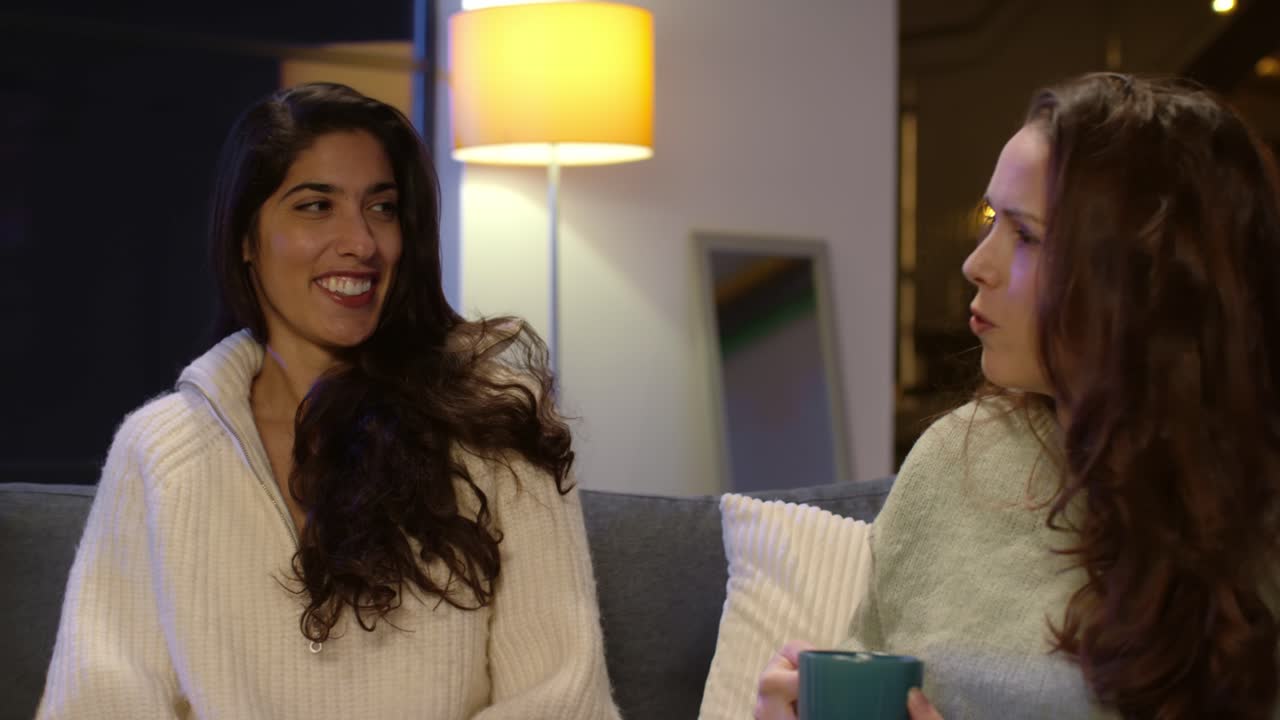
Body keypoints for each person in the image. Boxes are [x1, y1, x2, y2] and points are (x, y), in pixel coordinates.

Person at [38, 83, 619, 719]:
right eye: (316, 206)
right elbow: (100, 700)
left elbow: (561, 698)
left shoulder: (495, 419)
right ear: (246, 237)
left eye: (382, 208)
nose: (361, 242)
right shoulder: (160, 451)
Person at [756, 73, 1280, 719]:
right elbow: (870, 668)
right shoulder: (955, 457)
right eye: (990, 220)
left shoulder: (1254, 515)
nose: (976, 264)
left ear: (1146, 278)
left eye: (1026, 235)